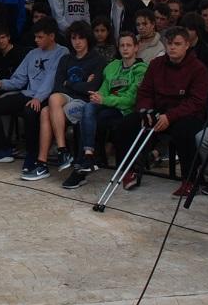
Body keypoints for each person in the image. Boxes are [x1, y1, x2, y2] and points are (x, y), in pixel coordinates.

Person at [111, 26, 208, 194]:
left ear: (187, 45)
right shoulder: (157, 64)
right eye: (169, 43)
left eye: (177, 44)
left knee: (183, 132)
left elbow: (196, 102)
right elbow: (145, 91)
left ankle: (190, 179)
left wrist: (170, 116)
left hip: (185, 115)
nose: (172, 47)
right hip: (157, 112)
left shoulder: (198, 69)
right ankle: (130, 170)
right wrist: (146, 110)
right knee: (125, 125)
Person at [63, 30, 147, 190]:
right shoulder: (112, 66)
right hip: (106, 106)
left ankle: (82, 167)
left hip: (124, 111)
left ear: (136, 48)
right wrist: (98, 96)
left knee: (91, 120)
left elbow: (130, 100)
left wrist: (104, 99)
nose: (125, 48)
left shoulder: (142, 69)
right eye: (122, 45)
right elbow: (103, 89)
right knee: (88, 108)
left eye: (129, 45)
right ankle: (88, 157)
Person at [24, 20, 105, 181]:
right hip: (64, 99)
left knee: (46, 110)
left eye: (81, 38)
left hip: (83, 102)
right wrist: (80, 84)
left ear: (88, 38)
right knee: (52, 101)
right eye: (74, 38)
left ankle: (49, 159)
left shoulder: (97, 60)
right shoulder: (66, 59)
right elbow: (58, 86)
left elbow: (92, 88)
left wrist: (70, 83)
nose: (77, 42)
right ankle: (58, 153)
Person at [0, 18, 68, 164]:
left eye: (40, 37)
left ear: (51, 36)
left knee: (30, 111)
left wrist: (38, 98)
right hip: (29, 94)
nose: (36, 40)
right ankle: (4, 149)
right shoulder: (33, 53)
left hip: (49, 97)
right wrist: (0, 83)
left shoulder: (62, 52)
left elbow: (51, 79)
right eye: (35, 37)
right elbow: (19, 79)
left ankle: (33, 154)